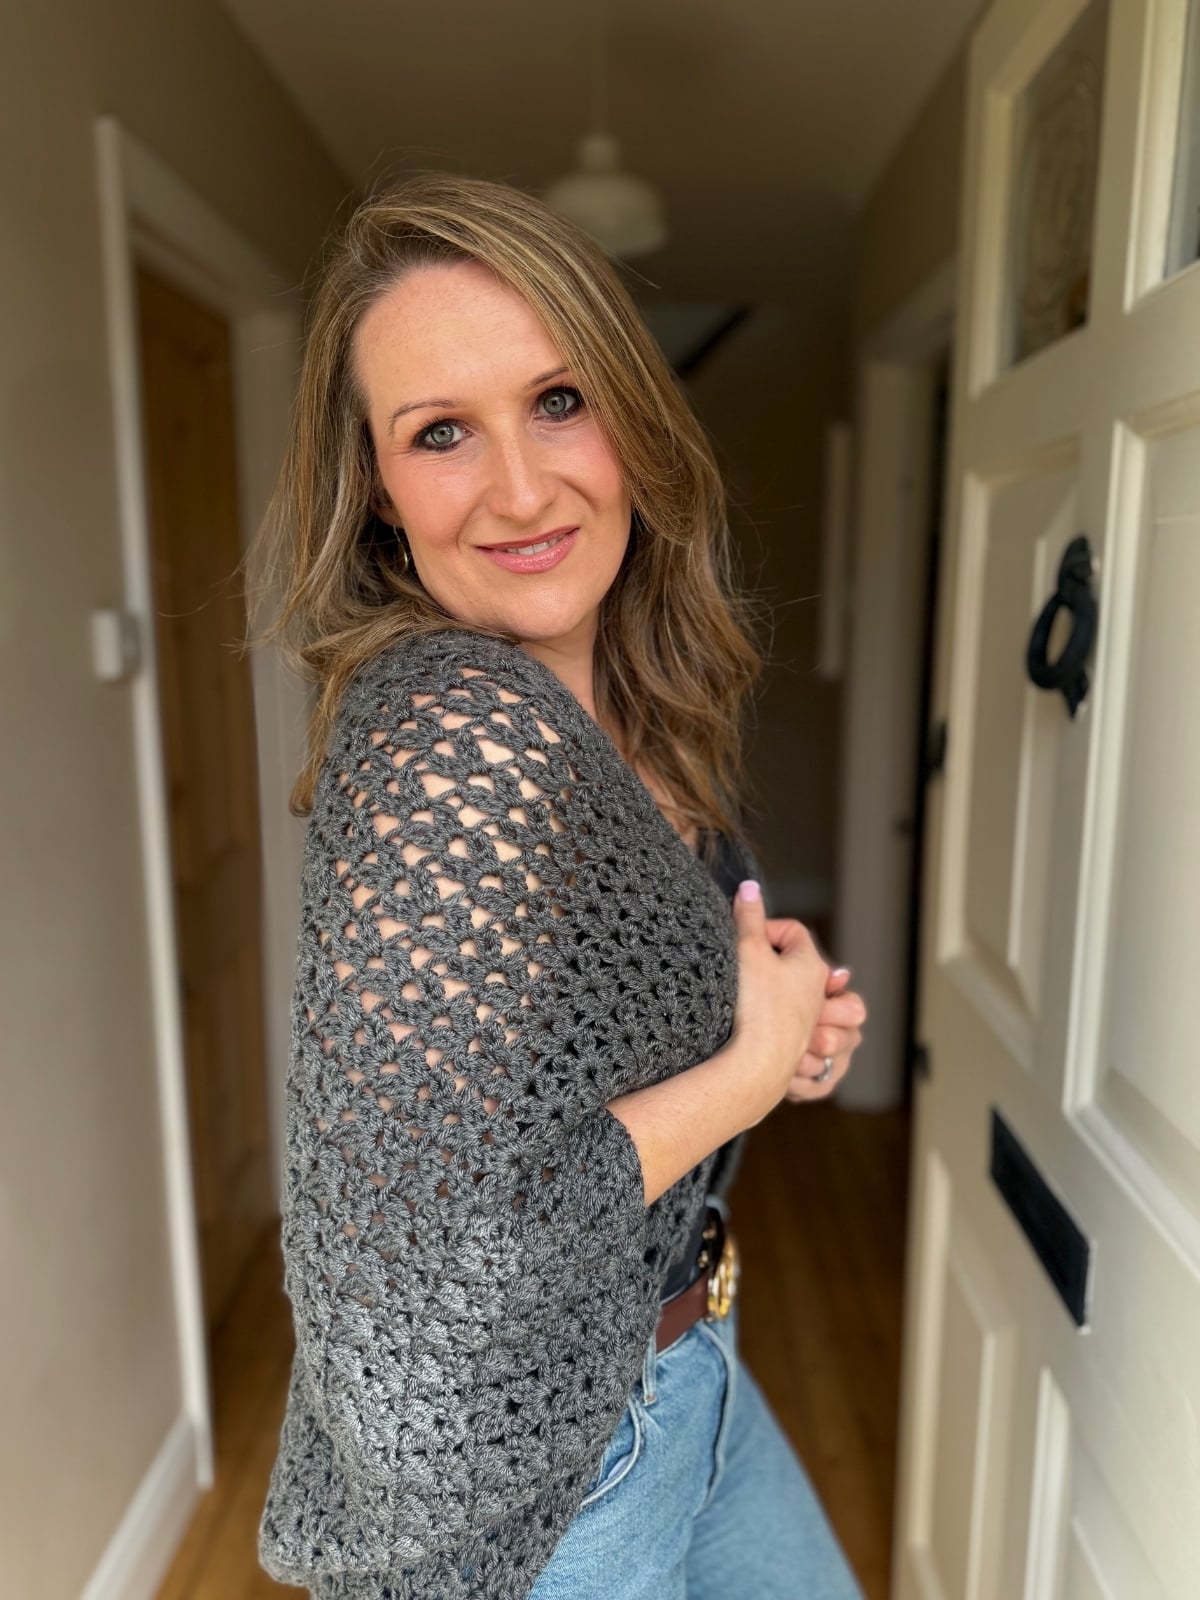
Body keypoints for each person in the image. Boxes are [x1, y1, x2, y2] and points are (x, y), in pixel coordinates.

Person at [248, 171, 868, 1600]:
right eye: (440, 432)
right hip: (554, 1491)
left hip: (687, 1369)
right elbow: (421, 1269)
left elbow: (560, 1079)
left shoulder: (626, 708)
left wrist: (771, 1026)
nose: (521, 489)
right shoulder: (457, 731)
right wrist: (748, 1073)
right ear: (379, 488)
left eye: (560, 401)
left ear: (633, 419)